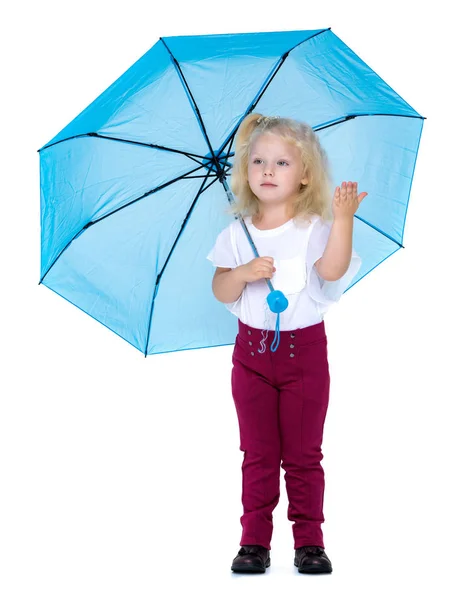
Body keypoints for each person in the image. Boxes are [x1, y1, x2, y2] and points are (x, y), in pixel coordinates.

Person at [206, 113, 367, 575]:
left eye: (280, 162)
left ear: (305, 176)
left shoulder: (314, 226)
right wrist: (241, 273)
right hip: (251, 358)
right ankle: (254, 540)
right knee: (257, 453)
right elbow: (220, 290)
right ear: (245, 171)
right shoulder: (236, 234)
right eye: (258, 161)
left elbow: (333, 271)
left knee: (302, 454)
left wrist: (342, 220)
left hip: (304, 357)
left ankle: (310, 541)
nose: (268, 170)